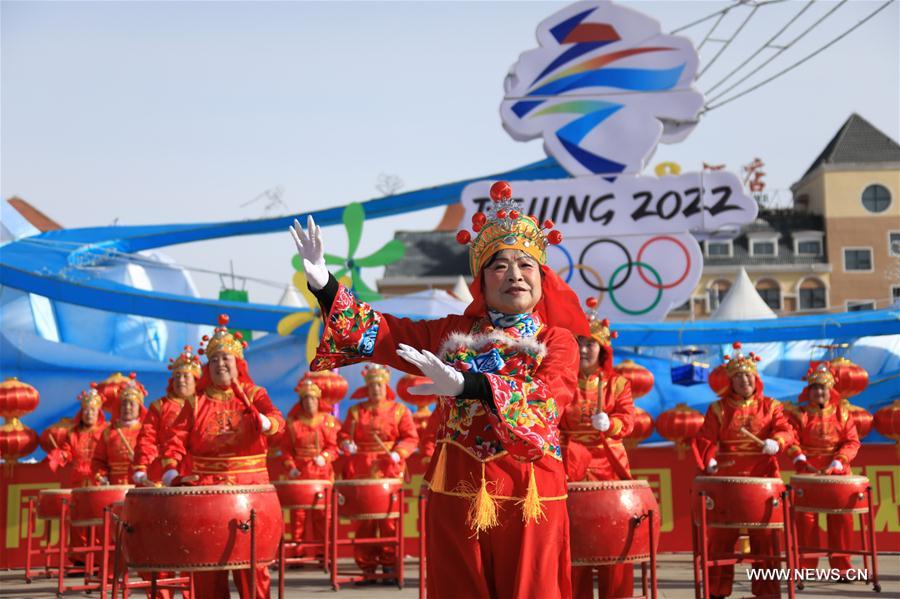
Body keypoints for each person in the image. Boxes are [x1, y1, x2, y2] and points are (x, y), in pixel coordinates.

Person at [289, 180, 589, 599]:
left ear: (543, 278)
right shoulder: (452, 333)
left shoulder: (557, 341)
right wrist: (324, 283)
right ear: (481, 282)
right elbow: (385, 333)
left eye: (526, 265)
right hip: (457, 489)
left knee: (532, 589)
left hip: (531, 491)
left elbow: (544, 398)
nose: (515, 275)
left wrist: (469, 384)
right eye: (499, 265)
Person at [161, 314, 285, 599]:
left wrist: (266, 424)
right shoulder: (195, 402)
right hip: (207, 494)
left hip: (250, 492)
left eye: (225, 358)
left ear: (237, 363)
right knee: (207, 565)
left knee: (252, 566)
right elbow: (174, 440)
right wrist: (170, 471)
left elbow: (278, 421)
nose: (220, 364)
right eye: (214, 359)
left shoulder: (254, 394)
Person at [692, 342, 795, 599]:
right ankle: (716, 590)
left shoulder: (771, 406)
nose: (743, 380)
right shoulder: (719, 408)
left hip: (762, 478)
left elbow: (786, 429)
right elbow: (705, 439)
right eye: (738, 377)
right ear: (731, 381)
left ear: (755, 378)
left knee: (766, 540)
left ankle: (767, 592)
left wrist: (778, 441)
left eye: (747, 375)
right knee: (720, 538)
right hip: (728, 480)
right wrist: (709, 460)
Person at [559, 305, 635, 598]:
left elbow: (628, 420)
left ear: (602, 348)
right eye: (579, 343)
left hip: (609, 467)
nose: (585, 349)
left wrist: (611, 422)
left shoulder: (617, 384)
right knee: (575, 546)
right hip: (572, 466)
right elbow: (553, 424)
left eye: (591, 343)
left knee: (613, 542)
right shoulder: (562, 383)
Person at [339, 364, 418, 582]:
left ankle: (390, 566)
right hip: (362, 469)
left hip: (389, 468)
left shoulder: (399, 410)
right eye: (372, 385)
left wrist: (398, 453)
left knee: (388, 520)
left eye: (379, 385)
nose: (376, 389)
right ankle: (367, 568)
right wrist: (347, 444)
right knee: (364, 520)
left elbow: (411, 438)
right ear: (367, 387)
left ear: (386, 386)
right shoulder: (356, 411)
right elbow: (344, 435)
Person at [787, 363, 861, 578]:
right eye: (815, 388)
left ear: (830, 391)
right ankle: (807, 569)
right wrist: (800, 458)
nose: (819, 392)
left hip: (837, 473)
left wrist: (838, 461)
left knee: (841, 520)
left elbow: (852, 442)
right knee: (806, 521)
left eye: (823, 388)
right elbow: (791, 440)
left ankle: (842, 568)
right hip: (808, 473)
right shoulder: (799, 414)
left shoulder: (843, 413)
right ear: (809, 391)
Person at [280, 377, 340, 555]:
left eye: (312, 399)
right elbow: (285, 450)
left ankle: (324, 552)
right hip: (300, 473)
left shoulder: (328, 422)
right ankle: (298, 551)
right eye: (305, 399)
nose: (309, 403)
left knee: (323, 514)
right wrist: (290, 466)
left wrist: (325, 456)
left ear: (318, 400)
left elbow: (333, 446)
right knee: (298, 515)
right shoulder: (293, 424)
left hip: (322, 472)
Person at [133, 347, 202, 484]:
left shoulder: (204, 404)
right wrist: (141, 466)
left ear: (196, 381)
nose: (181, 380)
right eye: (177, 376)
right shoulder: (160, 406)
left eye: (185, 376)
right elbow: (147, 438)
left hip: (198, 470)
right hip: (164, 471)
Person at [47, 385, 108, 488]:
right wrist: (62, 455)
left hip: (100, 476)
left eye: (93, 410)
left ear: (99, 413)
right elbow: (68, 450)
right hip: (79, 477)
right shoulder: (74, 433)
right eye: (86, 410)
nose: (89, 414)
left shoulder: (106, 430)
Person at [92, 374, 146, 485]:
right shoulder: (109, 432)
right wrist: (102, 476)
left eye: (131, 404)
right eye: (124, 404)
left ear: (139, 408)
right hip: (115, 485)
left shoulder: (147, 431)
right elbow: (98, 460)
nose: (127, 408)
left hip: (140, 484)